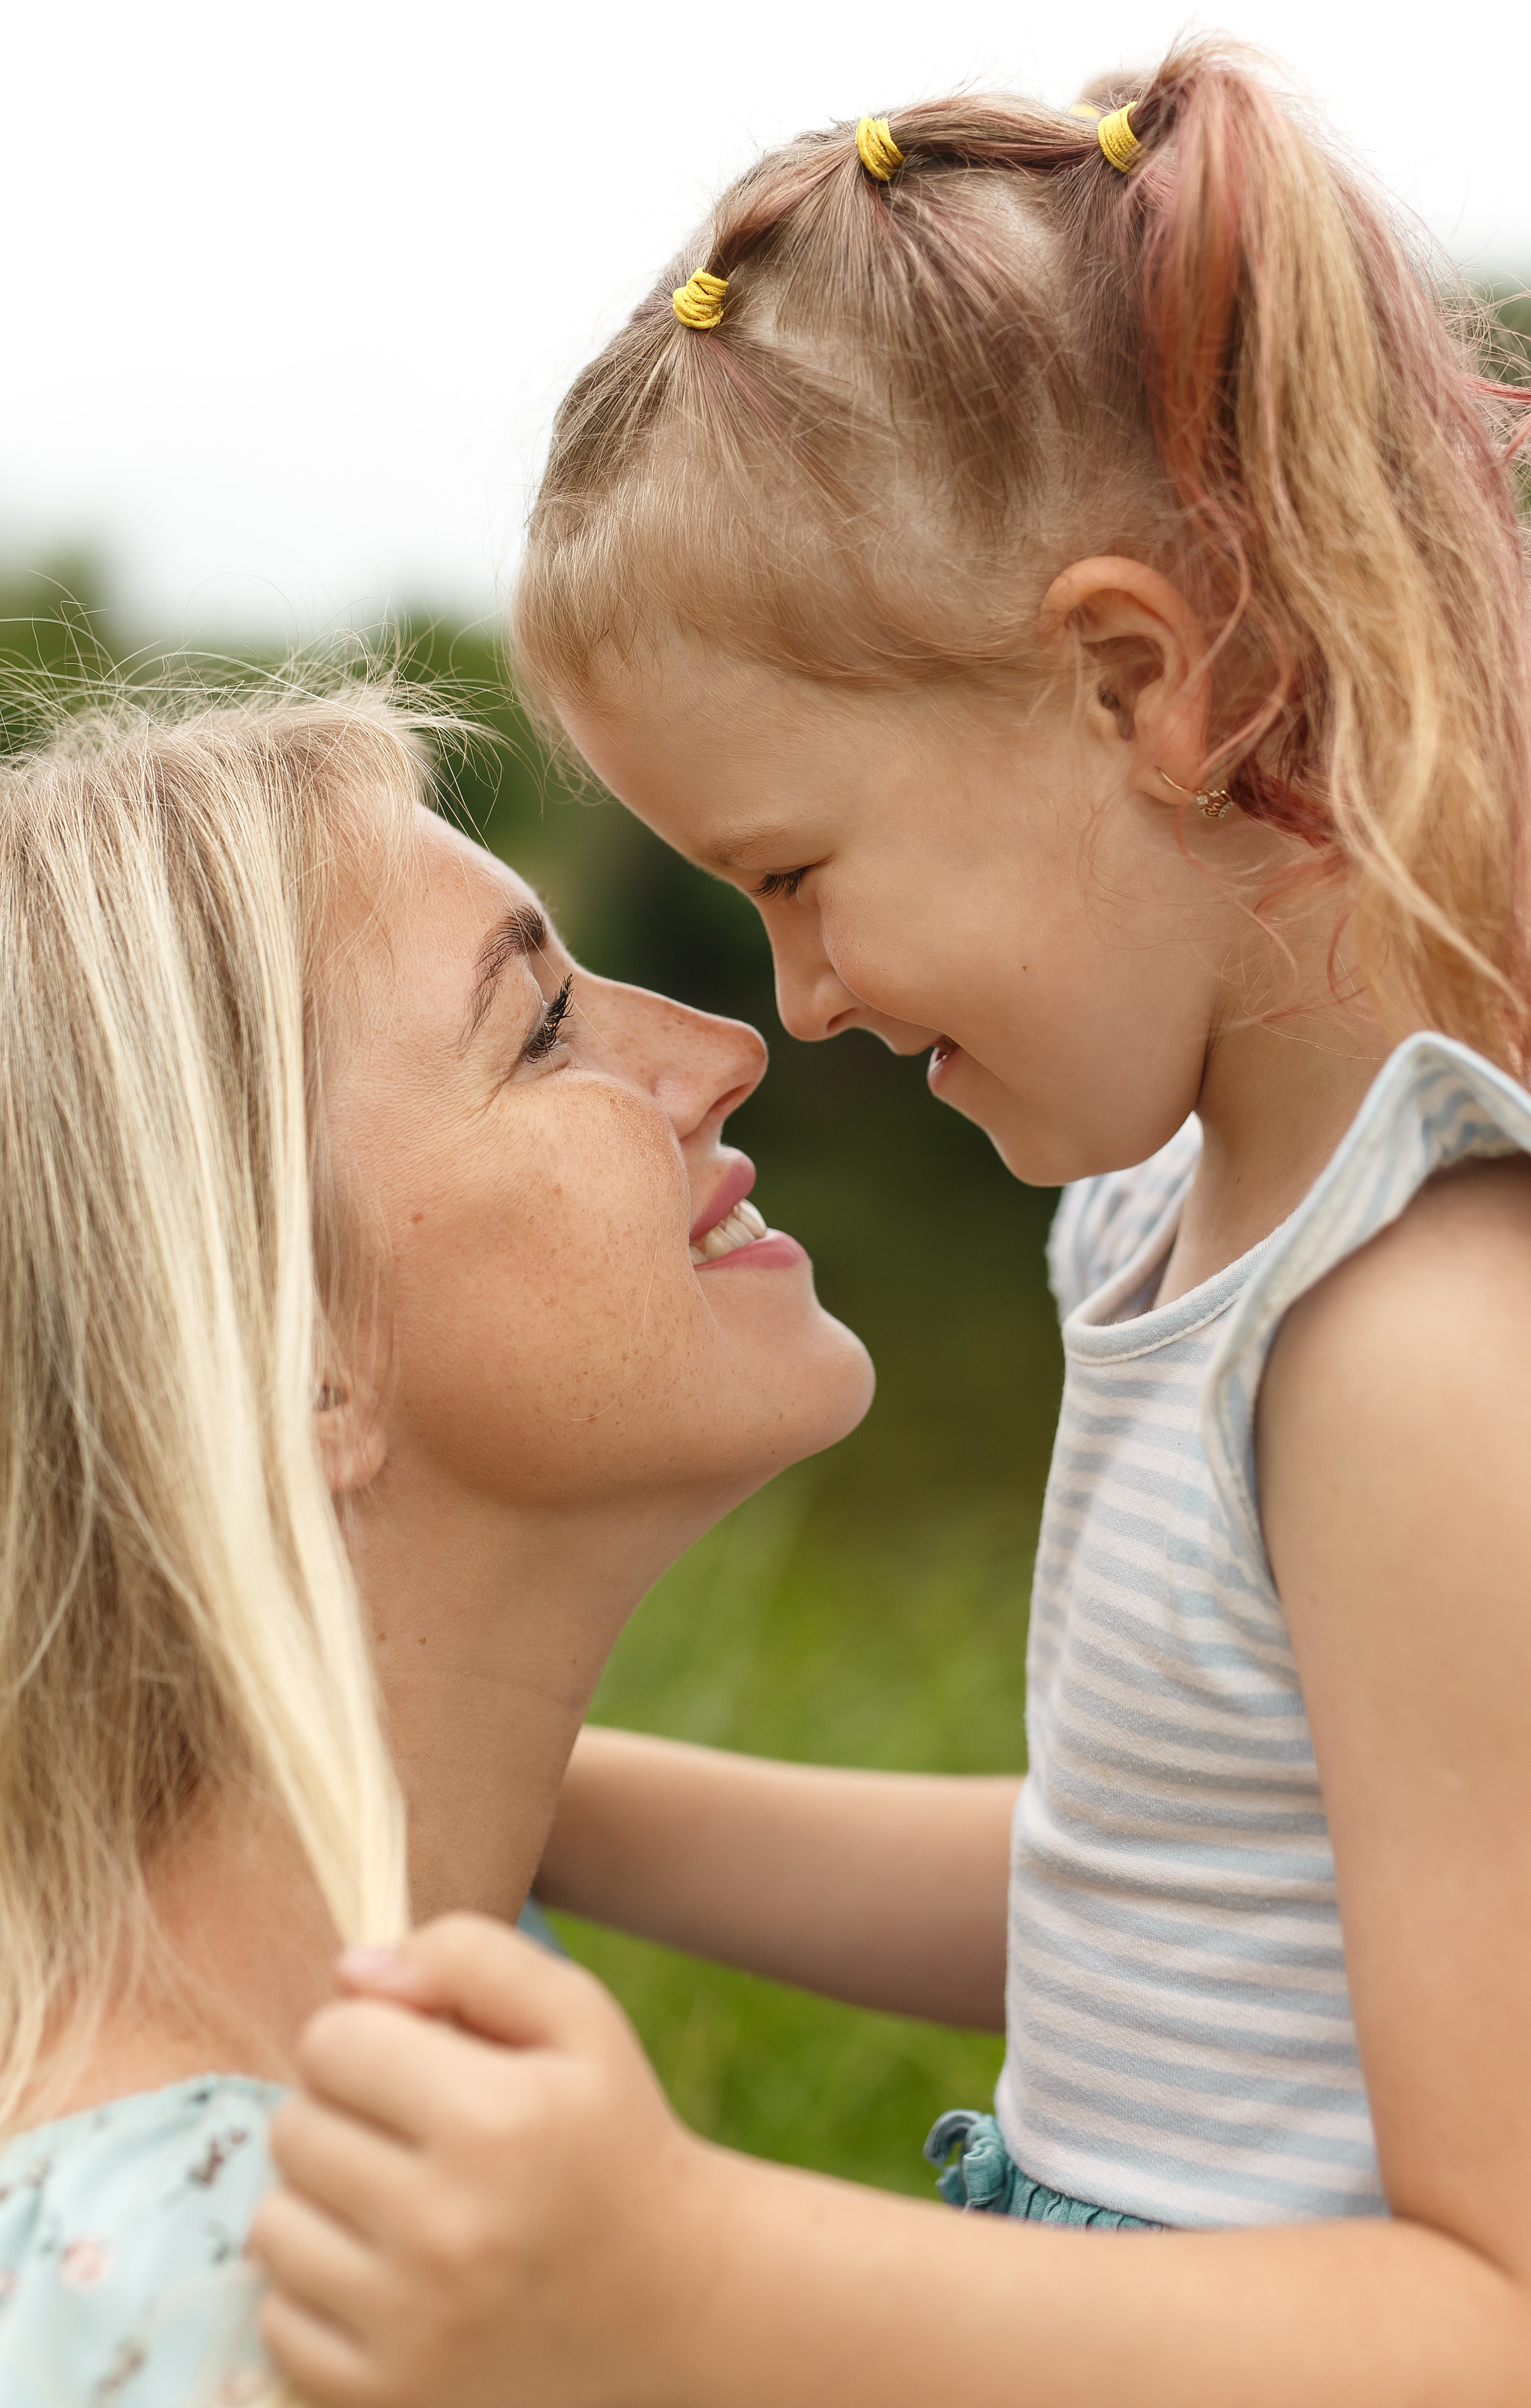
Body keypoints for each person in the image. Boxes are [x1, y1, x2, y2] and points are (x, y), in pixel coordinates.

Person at [249, 38, 1531, 2408]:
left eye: (800, 879)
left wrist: (691, 2273)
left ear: (1134, 682)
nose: (801, 1008)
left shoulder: (1418, 1336)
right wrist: (558, 1805)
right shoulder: (1169, 1228)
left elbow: (1492, 2313)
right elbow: (1149, 1906)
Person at [0, 685, 873, 2404]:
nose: (723, 1052)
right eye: (542, 1032)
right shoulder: (233, 2294)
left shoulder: (428, 2018)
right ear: (285, 1356)